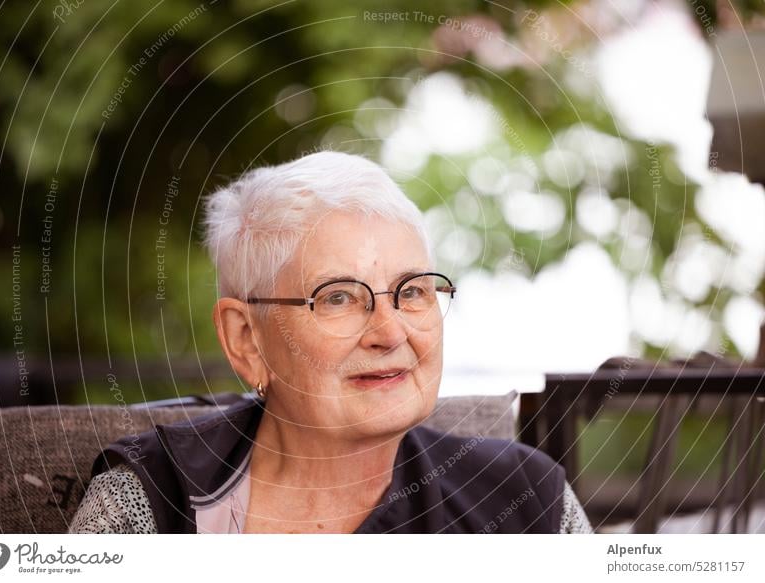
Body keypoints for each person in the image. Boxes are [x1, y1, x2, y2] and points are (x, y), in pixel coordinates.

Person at [69, 151, 592, 534]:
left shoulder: (527, 500)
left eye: (411, 291)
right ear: (246, 338)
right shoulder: (153, 500)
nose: (390, 333)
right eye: (338, 298)